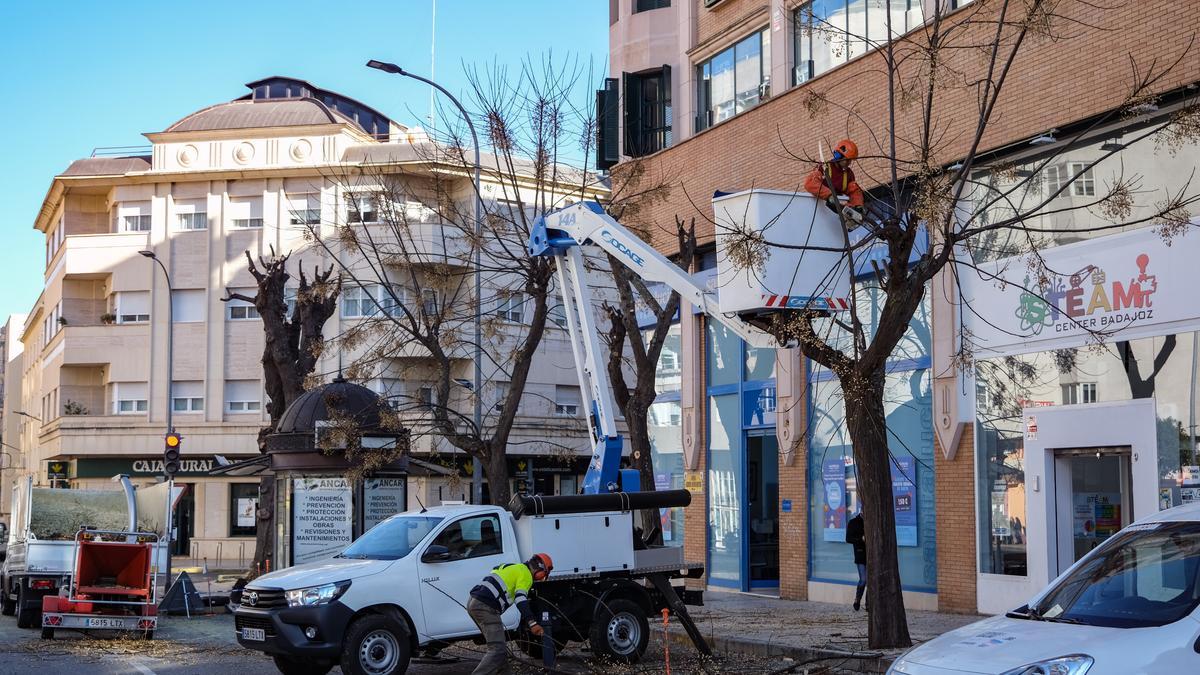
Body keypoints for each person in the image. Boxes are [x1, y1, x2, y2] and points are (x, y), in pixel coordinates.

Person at [466, 553, 554, 675]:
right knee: (497, 650)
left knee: (500, 650)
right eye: (544, 575)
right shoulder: (526, 575)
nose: (541, 578)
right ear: (540, 569)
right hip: (485, 607)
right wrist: (532, 623)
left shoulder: (514, 567)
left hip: (473, 602)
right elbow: (520, 599)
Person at [803, 138, 864, 214]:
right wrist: (829, 196)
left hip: (838, 207)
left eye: (850, 160)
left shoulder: (848, 173)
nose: (849, 163)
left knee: (852, 211)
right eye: (847, 160)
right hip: (821, 208)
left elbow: (854, 191)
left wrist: (858, 205)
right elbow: (810, 183)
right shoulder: (825, 167)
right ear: (838, 156)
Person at [845, 510, 867, 611]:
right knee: (863, 580)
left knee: (871, 581)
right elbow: (848, 539)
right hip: (860, 554)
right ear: (861, 511)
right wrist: (861, 539)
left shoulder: (871, 521)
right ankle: (857, 600)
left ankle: (868, 604)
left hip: (873, 555)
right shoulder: (853, 522)